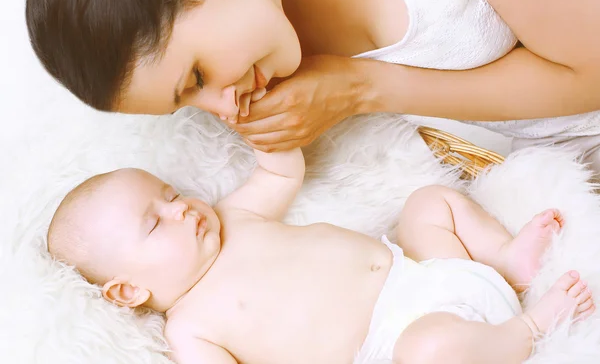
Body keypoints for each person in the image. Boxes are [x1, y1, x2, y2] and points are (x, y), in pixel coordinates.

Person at [47, 147, 594, 364]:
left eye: (170, 195)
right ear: (127, 290)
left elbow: (282, 171)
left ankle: (504, 260)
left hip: (428, 273)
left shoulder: (233, 216)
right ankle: (526, 327)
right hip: (398, 346)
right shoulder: (189, 328)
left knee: (428, 204)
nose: (182, 209)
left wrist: (270, 134)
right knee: (430, 350)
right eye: (155, 222)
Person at [25, 0, 600, 168]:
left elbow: (592, 71)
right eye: (189, 105)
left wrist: (363, 90)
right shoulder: (268, 44)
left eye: (197, 79)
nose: (226, 110)